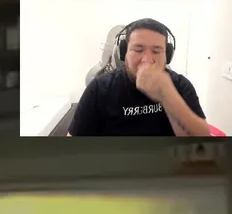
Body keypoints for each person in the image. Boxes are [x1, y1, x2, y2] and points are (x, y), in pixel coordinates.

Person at [66, 18, 211, 136]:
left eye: (156, 51)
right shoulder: (99, 88)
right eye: (138, 49)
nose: (147, 59)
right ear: (124, 52)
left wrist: (168, 95)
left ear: (167, 55)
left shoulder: (180, 86)